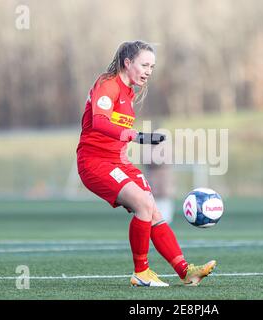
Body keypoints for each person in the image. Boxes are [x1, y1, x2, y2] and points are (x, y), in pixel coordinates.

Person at [76, 40, 216, 287]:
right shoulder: (107, 84)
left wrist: (137, 138)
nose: (149, 71)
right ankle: (141, 273)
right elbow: (99, 122)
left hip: (118, 162)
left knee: (152, 210)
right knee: (142, 203)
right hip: (95, 162)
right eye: (144, 64)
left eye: (152, 66)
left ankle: (185, 271)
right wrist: (138, 137)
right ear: (127, 62)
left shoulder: (130, 91)